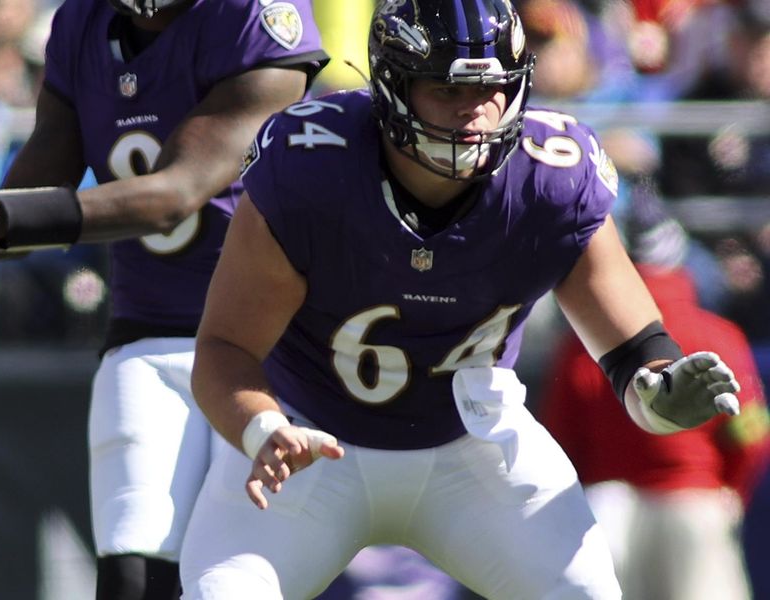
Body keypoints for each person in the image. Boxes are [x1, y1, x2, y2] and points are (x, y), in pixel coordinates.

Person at [181, 0, 741, 598]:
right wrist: (261, 426)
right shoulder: (312, 168)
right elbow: (224, 349)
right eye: (448, 89)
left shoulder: (550, 178)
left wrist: (656, 396)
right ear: (393, 86)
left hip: (472, 447)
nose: (475, 111)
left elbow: (634, 349)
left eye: (493, 87)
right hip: (309, 441)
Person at [0, 0, 327, 597]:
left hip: (269, 342)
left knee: (237, 577)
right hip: (150, 328)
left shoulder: (256, 15)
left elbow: (173, 195)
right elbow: (33, 195)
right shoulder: (81, 23)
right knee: (132, 575)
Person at [538, 188, 770, 600]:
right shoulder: (720, 335)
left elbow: (559, 435)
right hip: (693, 504)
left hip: (609, 509)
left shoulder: (583, 341)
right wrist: (730, 489)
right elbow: (751, 433)